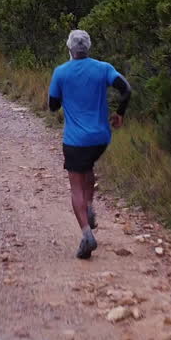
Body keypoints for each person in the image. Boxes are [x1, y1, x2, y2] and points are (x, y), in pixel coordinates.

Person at [48, 29, 131, 259]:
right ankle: (90, 205)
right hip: (100, 139)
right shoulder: (104, 68)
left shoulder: (61, 72)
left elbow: (53, 106)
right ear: (89, 47)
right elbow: (126, 89)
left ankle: (87, 235)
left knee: (76, 185)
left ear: (69, 48)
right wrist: (120, 113)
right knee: (88, 167)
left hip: (75, 140)